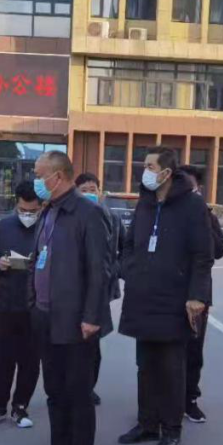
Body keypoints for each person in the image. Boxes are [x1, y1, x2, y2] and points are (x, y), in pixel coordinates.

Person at [26, 150, 113, 445]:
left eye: (39, 174)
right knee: (55, 393)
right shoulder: (49, 211)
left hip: (77, 322)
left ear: (57, 176)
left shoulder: (87, 213)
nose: (36, 181)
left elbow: (99, 270)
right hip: (46, 317)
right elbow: (38, 259)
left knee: (77, 396)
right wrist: (32, 302)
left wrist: (92, 316)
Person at [117, 149, 212, 445]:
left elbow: (203, 254)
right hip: (142, 295)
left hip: (174, 298)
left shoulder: (192, 205)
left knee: (171, 368)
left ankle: (171, 428)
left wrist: (197, 295)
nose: (144, 171)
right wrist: (129, 269)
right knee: (145, 365)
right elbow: (129, 243)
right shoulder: (145, 202)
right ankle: (147, 423)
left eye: (150, 166)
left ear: (166, 172)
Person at [0, 181, 43, 429]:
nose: (28, 215)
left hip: (35, 307)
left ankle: (20, 407)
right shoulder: (1, 228)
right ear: (16, 204)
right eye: (23, 210)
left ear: (41, 207)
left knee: (30, 361)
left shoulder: (47, 228)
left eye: (33, 211)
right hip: (4, 305)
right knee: (2, 360)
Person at [177, 164, 223, 424]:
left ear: (199, 189)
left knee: (193, 350)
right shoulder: (167, 213)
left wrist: (202, 219)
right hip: (167, 293)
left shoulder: (208, 216)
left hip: (197, 294)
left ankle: (190, 400)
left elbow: (218, 250)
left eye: (191, 187)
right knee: (164, 352)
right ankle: (161, 403)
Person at [74, 171, 123, 406]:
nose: (88, 194)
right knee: (71, 343)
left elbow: (126, 248)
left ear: (100, 192)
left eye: (92, 190)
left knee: (92, 344)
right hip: (71, 290)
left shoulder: (112, 218)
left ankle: (88, 388)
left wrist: (114, 269)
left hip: (99, 290)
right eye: (83, 190)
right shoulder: (69, 216)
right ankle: (71, 387)